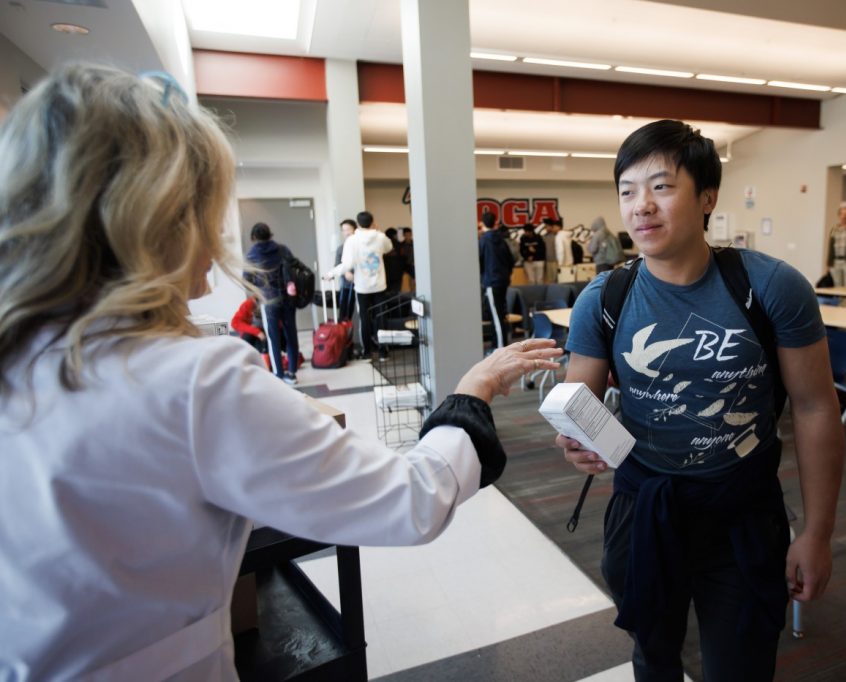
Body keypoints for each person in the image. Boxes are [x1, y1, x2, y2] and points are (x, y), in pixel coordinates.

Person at [0, 63, 563, 680]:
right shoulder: (192, 382)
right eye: (205, 214)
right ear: (153, 218)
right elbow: (409, 501)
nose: (218, 245)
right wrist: (472, 392)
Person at [557, 119, 844, 681]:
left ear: (708, 196)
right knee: (653, 657)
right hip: (645, 508)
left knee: (740, 664)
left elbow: (816, 408)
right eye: (628, 190)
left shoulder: (772, 287)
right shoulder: (605, 297)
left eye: (662, 187)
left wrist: (817, 533)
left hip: (741, 509)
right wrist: (574, 440)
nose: (642, 206)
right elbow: (578, 403)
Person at [327, 210, 393, 358]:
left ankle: (367, 352)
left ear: (357, 224)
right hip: (380, 285)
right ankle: (383, 352)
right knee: (381, 317)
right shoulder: (380, 237)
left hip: (362, 287)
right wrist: (378, 231)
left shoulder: (352, 240)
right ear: (372, 222)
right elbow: (389, 248)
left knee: (364, 319)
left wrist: (331, 273)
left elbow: (347, 264)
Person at [245, 222, 300, 385]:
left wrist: (258, 291)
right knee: (291, 335)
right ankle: (292, 373)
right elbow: (295, 268)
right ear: (270, 234)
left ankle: (279, 374)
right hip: (288, 298)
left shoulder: (252, 255)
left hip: (268, 300)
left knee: (273, 338)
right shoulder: (282, 249)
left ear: (254, 237)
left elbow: (246, 279)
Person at [479, 211, 515, 348]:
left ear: (482, 224)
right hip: (502, 281)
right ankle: (498, 345)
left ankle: (500, 348)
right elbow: (511, 260)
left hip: (491, 282)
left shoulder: (483, 240)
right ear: (495, 222)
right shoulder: (502, 240)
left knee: (496, 317)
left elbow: (479, 261)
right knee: (499, 314)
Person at [334, 218, 357, 319]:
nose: (346, 232)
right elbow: (337, 265)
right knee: (345, 312)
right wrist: (346, 272)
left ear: (355, 229)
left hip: (363, 284)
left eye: (349, 229)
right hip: (347, 285)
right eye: (344, 230)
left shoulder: (361, 245)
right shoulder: (341, 248)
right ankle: (344, 333)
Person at [383, 227, 405, 296]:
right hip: (398, 271)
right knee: (396, 292)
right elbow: (403, 256)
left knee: (386, 292)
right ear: (394, 235)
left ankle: (388, 306)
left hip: (386, 272)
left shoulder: (383, 244)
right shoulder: (398, 244)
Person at [542, 218, 560, 283]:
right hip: (548, 261)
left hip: (556, 261)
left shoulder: (557, 236)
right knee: (550, 280)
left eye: (546, 226)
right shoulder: (545, 236)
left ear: (551, 226)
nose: (545, 228)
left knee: (557, 279)